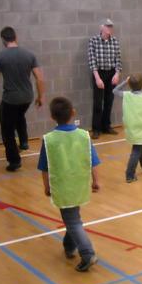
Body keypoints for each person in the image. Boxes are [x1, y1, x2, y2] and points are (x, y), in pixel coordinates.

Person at [38, 96, 100, 272]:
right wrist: (96, 181)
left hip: (63, 187)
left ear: (52, 117)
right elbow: (93, 161)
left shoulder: (49, 139)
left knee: (72, 221)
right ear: (73, 112)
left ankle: (87, 254)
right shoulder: (84, 136)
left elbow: (44, 168)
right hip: (80, 184)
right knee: (73, 218)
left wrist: (47, 187)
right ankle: (69, 246)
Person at [0, 26, 45, 171]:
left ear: (3, 40)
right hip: (27, 97)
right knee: (19, 115)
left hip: (10, 99)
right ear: (16, 37)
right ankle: (24, 141)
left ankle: (14, 161)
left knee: (7, 130)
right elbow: (40, 79)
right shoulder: (29, 55)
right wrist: (41, 97)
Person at [87, 18, 122, 139]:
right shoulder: (93, 41)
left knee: (109, 100)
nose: (109, 29)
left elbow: (118, 59)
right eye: (107, 26)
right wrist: (97, 78)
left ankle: (106, 126)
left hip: (111, 73)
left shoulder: (115, 41)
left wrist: (117, 74)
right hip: (99, 73)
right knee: (98, 102)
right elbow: (92, 60)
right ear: (101, 28)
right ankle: (96, 129)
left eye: (111, 27)